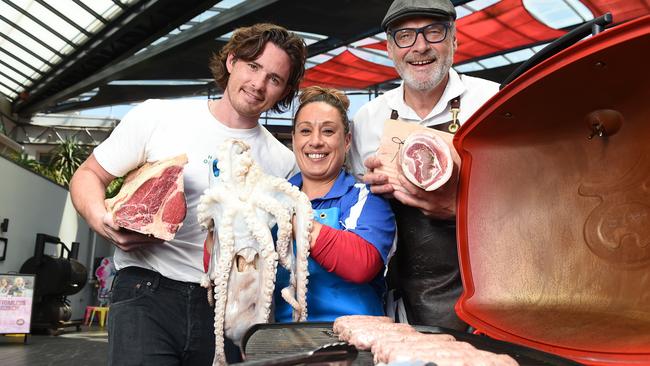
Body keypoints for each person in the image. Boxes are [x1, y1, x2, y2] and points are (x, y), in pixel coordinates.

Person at [70, 23, 307, 365]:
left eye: (274, 78)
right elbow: (89, 174)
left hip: (228, 304)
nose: (258, 84)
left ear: (283, 91)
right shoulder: (159, 116)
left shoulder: (282, 162)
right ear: (231, 62)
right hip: (146, 291)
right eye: (253, 67)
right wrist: (101, 219)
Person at [348, 0, 500, 330]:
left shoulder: (492, 103)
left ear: (454, 39)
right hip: (400, 301)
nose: (420, 46)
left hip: (490, 294)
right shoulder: (368, 119)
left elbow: (532, 204)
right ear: (389, 48)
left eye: (433, 32)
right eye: (405, 35)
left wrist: (457, 208)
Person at [274, 86, 396, 322]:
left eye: (328, 131)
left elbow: (362, 263)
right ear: (295, 138)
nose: (316, 141)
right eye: (305, 131)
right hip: (278, 340)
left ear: (347, 140)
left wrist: (291, 218)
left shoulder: (365, 197)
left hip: (354, 342)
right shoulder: (273, 197)